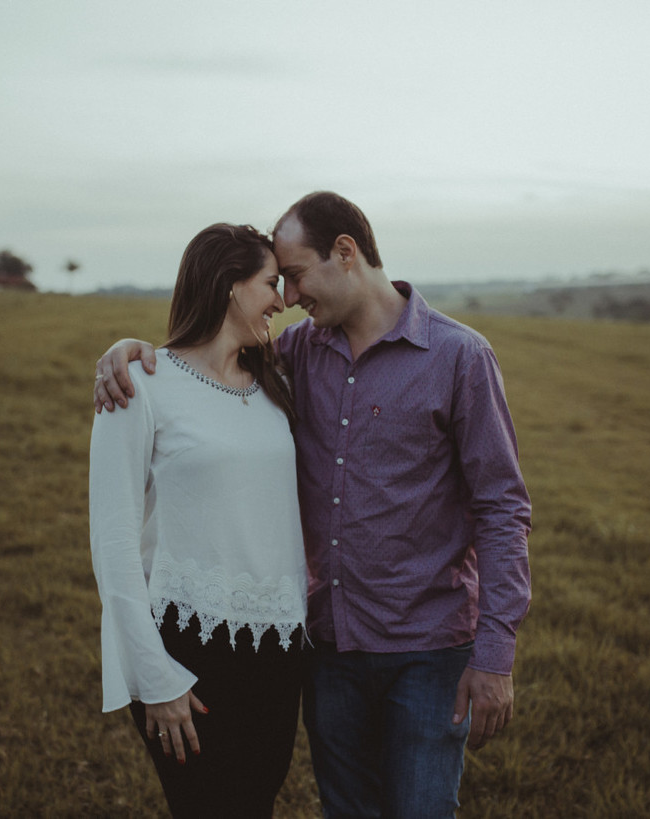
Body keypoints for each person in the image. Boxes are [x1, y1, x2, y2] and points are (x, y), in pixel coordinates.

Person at [95, 193, 531, 818]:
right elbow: (205, 371)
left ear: (346, 253)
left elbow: (502, 506)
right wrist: (128, 351)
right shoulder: (294, 356)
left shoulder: (460, 357)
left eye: (294, 275)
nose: (290, 296)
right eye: (278, 281)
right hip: (328, 650)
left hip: (428, 648)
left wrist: (495, 651)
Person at [88, 223, 307, 819]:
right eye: (270, 283)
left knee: (254, 805)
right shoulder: (141, 386)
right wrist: (155, 675)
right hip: (188, 649)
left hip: (280, 646)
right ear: (229, 286)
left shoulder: (275, 383)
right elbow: (112, 545)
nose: (283, 300)